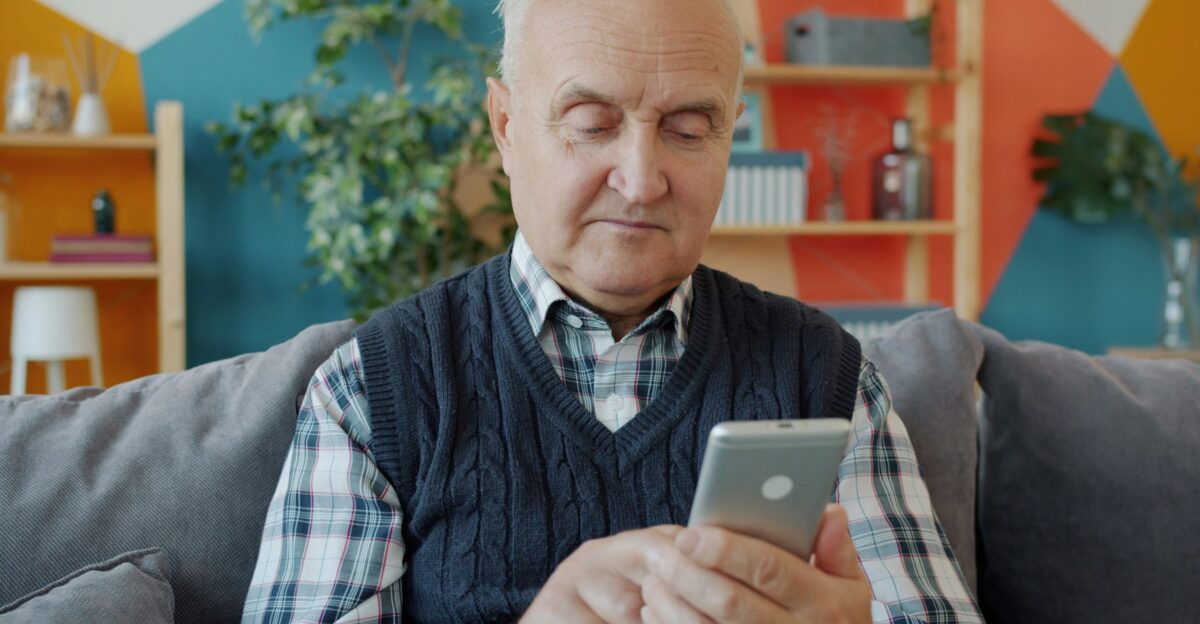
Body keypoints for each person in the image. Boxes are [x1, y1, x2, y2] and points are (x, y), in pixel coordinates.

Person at [242, 0, 982, 621]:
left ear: (731, 133)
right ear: (505, 125)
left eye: (688, 129)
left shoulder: (827, 378)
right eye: (592, 122)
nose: (640, 180)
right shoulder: (374, 391)